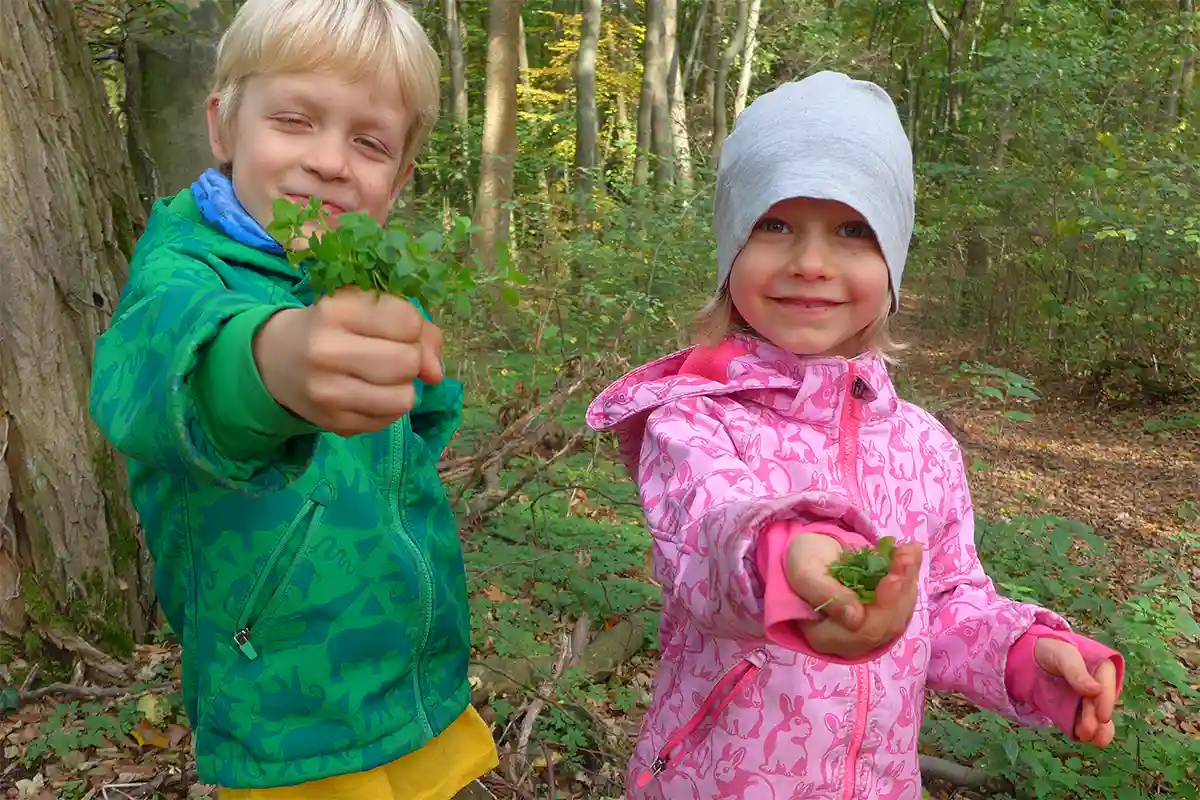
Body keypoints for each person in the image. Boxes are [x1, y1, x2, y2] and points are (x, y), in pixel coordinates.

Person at [585, 71, 1125, 799]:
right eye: (774, 224)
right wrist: (791, 558)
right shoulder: (696, 420)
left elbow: (946, 603)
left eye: (852, 230)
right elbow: (713, 543)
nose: (810, 261)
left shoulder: (925, 447)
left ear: (892, 262)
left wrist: (1028, 655)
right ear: (731, 248)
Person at [88, 1, 498, 797]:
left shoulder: (368, 275)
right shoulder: (185, 271)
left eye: (369, 142)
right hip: (285, 714)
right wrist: (273, 368)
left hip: (410, 684)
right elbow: (153, 378)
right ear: (223, 125)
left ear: (401, 176)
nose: (330, 162)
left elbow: (409, 441)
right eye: (294, 120)